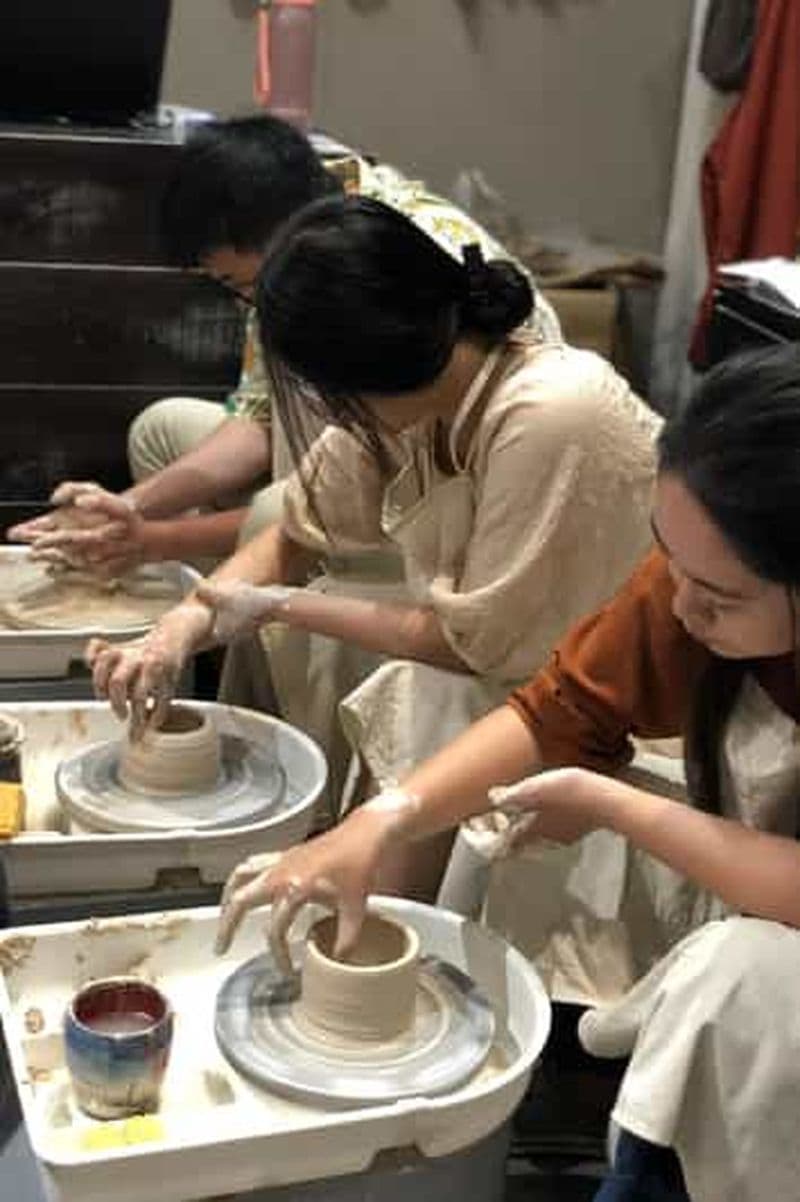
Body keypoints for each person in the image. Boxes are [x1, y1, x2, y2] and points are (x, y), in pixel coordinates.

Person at [213, 343, 800, 1202]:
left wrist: (608, 801)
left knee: (740, 982)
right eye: (669, 562)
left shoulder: (547, 410)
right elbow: (558, 707)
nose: (679, 606)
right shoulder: (702, 564)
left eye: (717, 596)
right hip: (757, 850)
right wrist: (379, 822)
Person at [86, 195, 659, 874]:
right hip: (507, 652)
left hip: (628, 696)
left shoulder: (548, 412)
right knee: (314, 609)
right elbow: (296, 528)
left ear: (362, 367)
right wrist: (181, 623)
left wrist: (277, 605)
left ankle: (380, 912)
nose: (327, 410)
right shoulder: (423, 389)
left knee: (427, 695)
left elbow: (471, 647)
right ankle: (347, 866)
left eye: (326, 392)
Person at [7, 114, 560, 575]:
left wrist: (155, 539)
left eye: (239, 286)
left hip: (448, 484)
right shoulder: (299, 244)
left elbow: (356, 484)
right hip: (362, 452)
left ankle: (243, 639)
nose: (242, 303)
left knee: (273, 514)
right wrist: (122, 510)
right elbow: (260, 415)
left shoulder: (374, 266)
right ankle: (215, 623)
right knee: (164, 427)